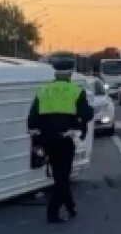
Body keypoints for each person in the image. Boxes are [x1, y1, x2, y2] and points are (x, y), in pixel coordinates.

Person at [27, 63, 94, 223]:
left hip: (46, 139)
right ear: (70, 75)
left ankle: (70, 206)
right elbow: (86, 114)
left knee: (59, 175)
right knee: (63, 176)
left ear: (55, 75)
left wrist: (37, 137)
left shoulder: (43, 91)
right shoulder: (76, 91)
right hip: (64, 139)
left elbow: (32, 119)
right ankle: (53, 212)